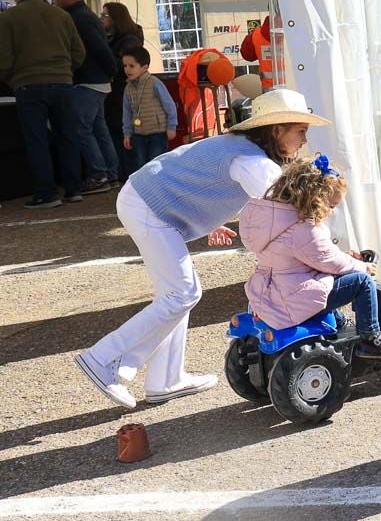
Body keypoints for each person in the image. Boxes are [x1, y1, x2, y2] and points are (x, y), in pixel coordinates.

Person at [74, 88, 323, 408]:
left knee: (177, 294)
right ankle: (104, 359)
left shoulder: (243, 149)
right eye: (300, 131)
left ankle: (165, 379)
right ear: (277, 130)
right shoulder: (253, 161)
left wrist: (208, 219)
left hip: (144, 199)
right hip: (148, 206)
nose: (303, 140)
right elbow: (285, 209)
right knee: (182, 293)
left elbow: (206, 179)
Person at [241, 155, 381, 358]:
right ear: (314, 198)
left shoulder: (276, 219)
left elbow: (314, 256)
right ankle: (372, 338)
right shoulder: (303, 229)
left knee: (326, 279)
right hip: (292, 296)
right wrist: (362, 266)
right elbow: (332, 262)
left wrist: (346, 258)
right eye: (330, 206)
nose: (331, 212)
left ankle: (338, 323)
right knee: (362, 282)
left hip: (272, 289)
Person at [0, 0, 84, 209]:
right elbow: (79, 52)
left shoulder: (8, 18)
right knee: (67, 136)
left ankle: (47, 193)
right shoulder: (62, 15)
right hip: (63, 83)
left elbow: (3, 58)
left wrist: (11, 78)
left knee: (37, 140)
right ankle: (73, 188)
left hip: (28, 85)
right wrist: (65, 71)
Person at [50, 0, 120, 195]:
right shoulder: (85, 15)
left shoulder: (78, 18)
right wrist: (109, 72)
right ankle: (110, 173)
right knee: (99, 129)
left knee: (83, 129)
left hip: (89, 81)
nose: (52, 0)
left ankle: (99, 175)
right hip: (99, 80)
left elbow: (97, 47)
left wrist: (108, 69)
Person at [102, 1, 144, 181]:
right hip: (117, 91)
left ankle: (128, 172)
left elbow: (125, 66)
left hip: (121, 92)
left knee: (123, 132)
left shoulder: (128, 40)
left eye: (105, 15)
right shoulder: (119, 38)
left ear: (115, 18)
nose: (102, 19)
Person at [121, 46, 178, 170]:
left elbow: (170, 105)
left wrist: (171, 126)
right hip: (138, 134)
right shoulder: (128, 88)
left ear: (144, 67)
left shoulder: (155, 83)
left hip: (157, 133)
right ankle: (146, 188)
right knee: (141, 164)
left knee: (157, 163)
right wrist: (127, 133)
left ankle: (160, 187)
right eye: (125, 66)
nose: (127, 70)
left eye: (131, 66)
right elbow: (126, 113)